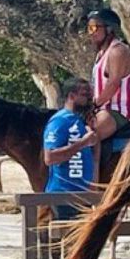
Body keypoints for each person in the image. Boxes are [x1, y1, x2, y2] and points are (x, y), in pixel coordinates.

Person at [87, 8, 130, 180]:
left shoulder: (118, 51)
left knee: (91, 135)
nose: (90, 33)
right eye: (89, 28)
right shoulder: (101, 54)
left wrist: (94, 105)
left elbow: (113, 83)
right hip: (103, 107)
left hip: (117, 109)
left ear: (109, 29)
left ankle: (93, 183)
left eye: (94, 28)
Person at [43, 77, 98, 221]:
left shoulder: (79, 121)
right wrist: (82, 143)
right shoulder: (60, 120)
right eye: (85, 95)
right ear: (72, 96)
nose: (89, 99)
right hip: (63, 194)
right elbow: (49, 158)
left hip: (82, 194)